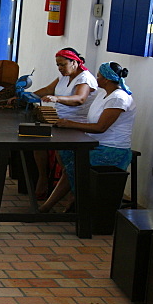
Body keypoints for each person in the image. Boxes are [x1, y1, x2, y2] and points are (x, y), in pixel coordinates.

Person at [39, 62, 136, 213]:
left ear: (106, 79)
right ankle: (75, 194)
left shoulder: (118, 98)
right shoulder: (103, 94)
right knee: (64, 152)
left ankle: (48, 206)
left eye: (98, 76)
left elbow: (100, 127)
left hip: (111, 149)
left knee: (75, 166)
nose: (96, 79)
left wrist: (70, 124)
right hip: (93, 142)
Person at [29, 47, 98, 199]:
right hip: (58, 120)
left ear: (74, 62)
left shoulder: (85, 79)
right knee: (36, 140)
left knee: (63, 155)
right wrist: (28, 95)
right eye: (58, 65)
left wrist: (57, 98)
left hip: (75, 124)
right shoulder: (64, 76)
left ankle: (66, 187)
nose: (60, 68)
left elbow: (80, 99)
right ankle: (43, 177)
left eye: (63, 65)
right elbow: (48, 89)